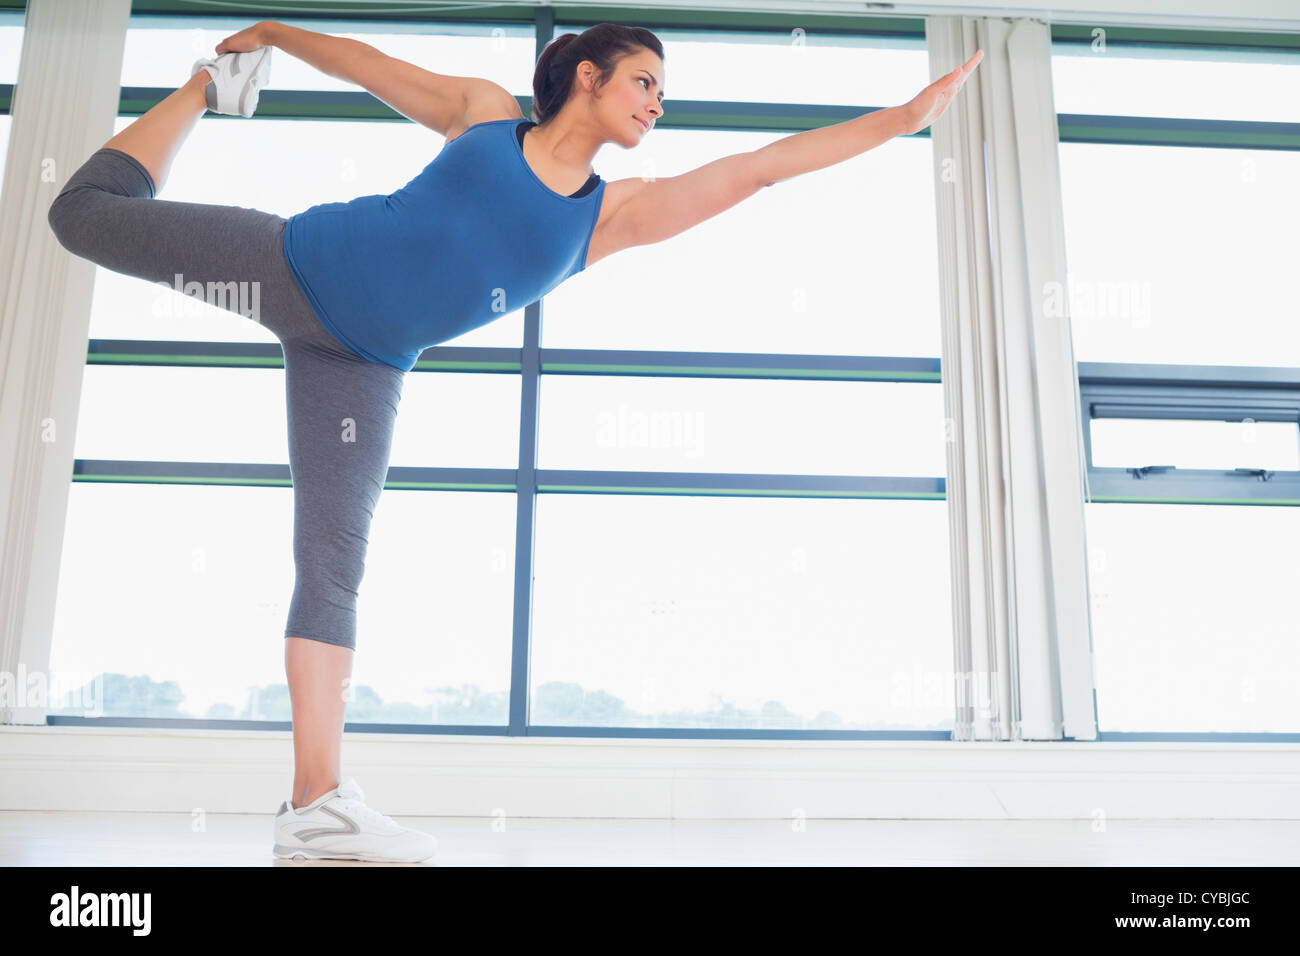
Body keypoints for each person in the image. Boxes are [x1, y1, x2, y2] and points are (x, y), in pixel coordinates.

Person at [46, 19, 981, 864]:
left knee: (332, 568)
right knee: (78, 215)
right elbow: (372, 69)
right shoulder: (486, 117)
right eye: (645, 82)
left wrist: (898, 121)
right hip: (284, 264)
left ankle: (314, 804)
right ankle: (203, 92)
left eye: (661, 91)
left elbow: (761, 167)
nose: (659, 104)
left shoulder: (607, 217)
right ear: (587, 75)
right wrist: (277, 38)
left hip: (363, 366)